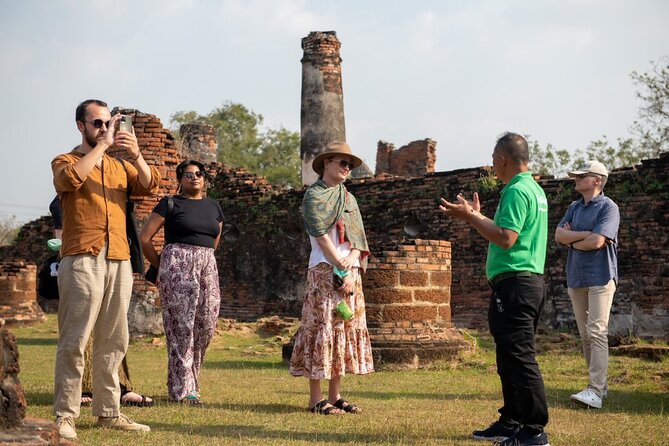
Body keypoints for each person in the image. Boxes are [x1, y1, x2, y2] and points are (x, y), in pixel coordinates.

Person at [51, 99, 161, 439]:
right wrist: (102, 146)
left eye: (107, 124)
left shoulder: (118, 167)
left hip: (119, 256)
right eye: (97, 124)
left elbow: (149, 185)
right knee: (75, 339)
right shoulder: (66, 160)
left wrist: (137, 154)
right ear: (81, 126)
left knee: (114, 340)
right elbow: (69, 181)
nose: (103, 129)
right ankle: (65, 415)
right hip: (82, 256)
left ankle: (109, 412)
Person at [439, 133, 550, 446]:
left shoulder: (517, 190)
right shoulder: (534, 189)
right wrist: (477, 217)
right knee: (508, 357)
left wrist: (471, 216)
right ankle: (512, 421)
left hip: (517, 283)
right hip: (522, 283)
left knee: (520, 357)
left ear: (502, 158)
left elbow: (506, 238)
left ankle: (533, 431)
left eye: (493, 158)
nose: (491, 164)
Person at [289, 141, 374, 415]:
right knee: (320, 329)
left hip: (349, 272)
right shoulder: (314, 196)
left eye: (350, 165)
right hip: (324, 271)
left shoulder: (349, 199)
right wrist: (340, 266)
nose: (347, 168)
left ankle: (335, 395)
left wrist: (351, 263)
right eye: (342, 162)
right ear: (327, 163)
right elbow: (321, 238)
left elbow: (359, 239)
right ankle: (316, 399)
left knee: (342, 329)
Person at [47, 196, 154, 408]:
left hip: (114, 258)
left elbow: (146, 187)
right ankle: (81, 391)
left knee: (114, 335)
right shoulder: (68, 191)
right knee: (80, 334)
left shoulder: (112, 189)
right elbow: (61, 234)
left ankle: (118, 391)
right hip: (83, 259)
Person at [139, 160, 223, 405]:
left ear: (204, 178)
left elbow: (214, 239)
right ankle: (182, 388)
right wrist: (161, 266)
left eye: (198, 174)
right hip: (177, 266)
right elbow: (145, 238)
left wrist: (202, 260)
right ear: (180, 179)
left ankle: (192, 381)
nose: (194, 178)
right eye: (187, 175)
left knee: (206, 325)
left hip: (207, 265)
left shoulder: (214, 207)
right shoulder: (170, 204)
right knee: (181, 328)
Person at [554, 161, 619, 409]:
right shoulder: (573, 207)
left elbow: (597, 242)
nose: (576, 179)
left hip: (601, 276)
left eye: (582, 176)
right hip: (576, 276)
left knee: (596, 331)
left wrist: (575, 237)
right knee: (585, 336)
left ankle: (595, 390)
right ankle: (600, 385)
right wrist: (584, 235)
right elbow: (560, 236)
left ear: (597, 181)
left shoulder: (609, 208)